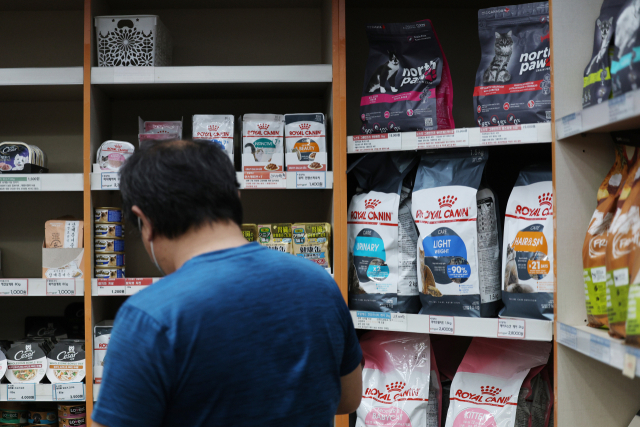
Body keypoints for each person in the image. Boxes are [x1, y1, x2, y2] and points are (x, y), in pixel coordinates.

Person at [92, 140, 362, 427]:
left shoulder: (149, 316)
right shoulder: (320, 284)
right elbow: (348, 399)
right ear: (236, 197)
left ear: (143, 220)